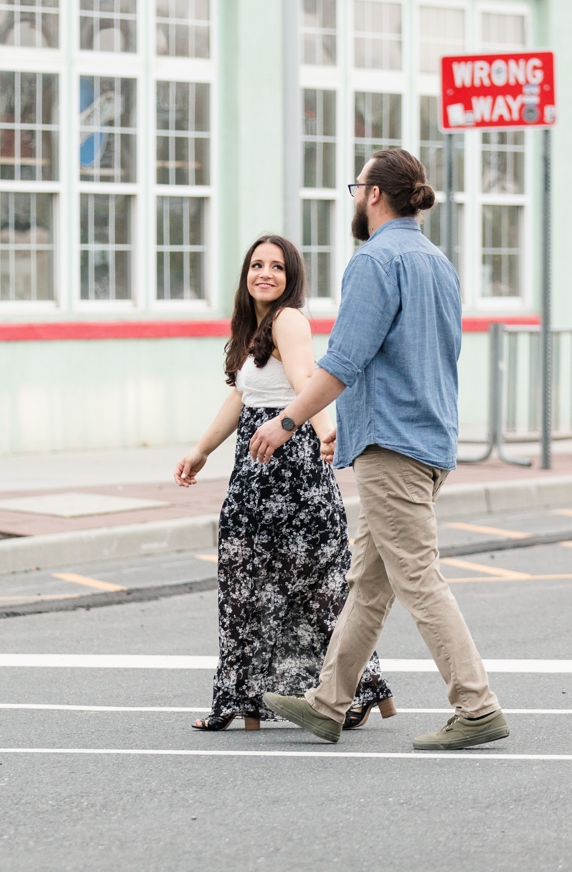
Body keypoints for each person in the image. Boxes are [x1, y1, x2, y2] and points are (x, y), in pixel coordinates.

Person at [259, 148, 510, 751]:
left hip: (393, 447)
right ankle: (328, 703)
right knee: (370, 582)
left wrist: (288, 421)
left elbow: (343, 361)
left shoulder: (375, 261)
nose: (353, 196)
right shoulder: (435, 262)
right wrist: (361, 414)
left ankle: (476, 706)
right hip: (425, 438)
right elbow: (424, 358)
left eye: (356, 186)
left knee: (417, 576)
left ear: (374, 195)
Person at [176, 234, 395, 732]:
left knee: (313, 589)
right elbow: (242, 398)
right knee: (247, 586)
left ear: (291, 276)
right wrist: (200, 450)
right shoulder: (251, 326)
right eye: (257, 265)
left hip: (292, 472)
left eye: (277, 266)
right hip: (254, 474)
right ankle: (245, 696)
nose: (265, 273)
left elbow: (305, 378)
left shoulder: (288, 319)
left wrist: (325, 435)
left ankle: (351, 691)